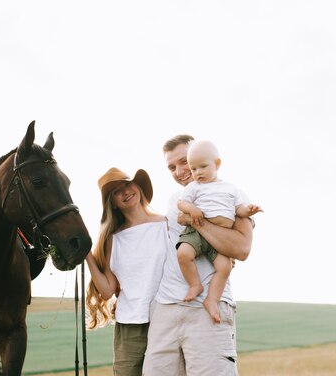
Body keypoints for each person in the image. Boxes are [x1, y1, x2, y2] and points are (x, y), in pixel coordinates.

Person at [143, 134, 254, 376]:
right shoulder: (176, 200)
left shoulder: (230, 195)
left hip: (207, 311)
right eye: (171, 167)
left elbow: (242, 248)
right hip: (165, 308)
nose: (180, 171)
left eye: (184, 161)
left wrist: (197, 222)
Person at [85, 167, 168, 376]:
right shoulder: (113, 239)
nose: (125, 191)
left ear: (138, 186)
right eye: (116, 191)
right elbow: (107, 290)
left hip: (167, 319)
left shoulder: (167, 224)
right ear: (112, 202)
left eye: (127, 184)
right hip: (129, 324)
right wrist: (87, 256)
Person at [176, 139, 262, 323]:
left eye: (202, 167)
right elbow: (181, 204)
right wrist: (191, 210)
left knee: (224, 268)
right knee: (183, 253)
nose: (197, 173)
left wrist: (250, 210)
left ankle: (212, 300)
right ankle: (195, 285)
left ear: (217, 164)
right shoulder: (194, 187)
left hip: (219, 236)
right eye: (194, 169)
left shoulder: (231, 189)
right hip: (196, 234)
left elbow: (240, 209)